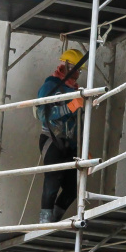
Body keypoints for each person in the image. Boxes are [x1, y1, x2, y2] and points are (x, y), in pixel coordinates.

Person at [35, 48, 86, 223]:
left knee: (74, 186)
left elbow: (77, 123)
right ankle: (45, 220)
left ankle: (54, 219)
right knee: (53, 178)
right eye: (75, 68)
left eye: (79, 70)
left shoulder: (75, 91)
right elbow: (43, 114)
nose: (77, 73)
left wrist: (82, 147)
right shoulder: (51, 86)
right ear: (64, 65)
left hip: (70, 143)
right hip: (52, 138)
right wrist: (69, 107)